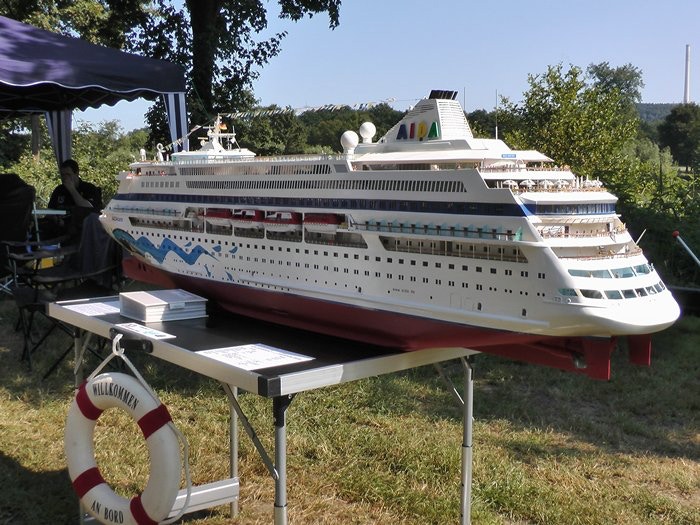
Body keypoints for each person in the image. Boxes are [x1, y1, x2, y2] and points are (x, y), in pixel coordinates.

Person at [44, 159, 103, 242]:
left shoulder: (89, 188)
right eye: (63, 175)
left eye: (68, 174)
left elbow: (89, 209)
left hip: (82, 231)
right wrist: (56, 219)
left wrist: (72, 189)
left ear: (76, 173)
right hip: (59, 228)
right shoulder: (59, 190)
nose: (65, 178)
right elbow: (50, 211)